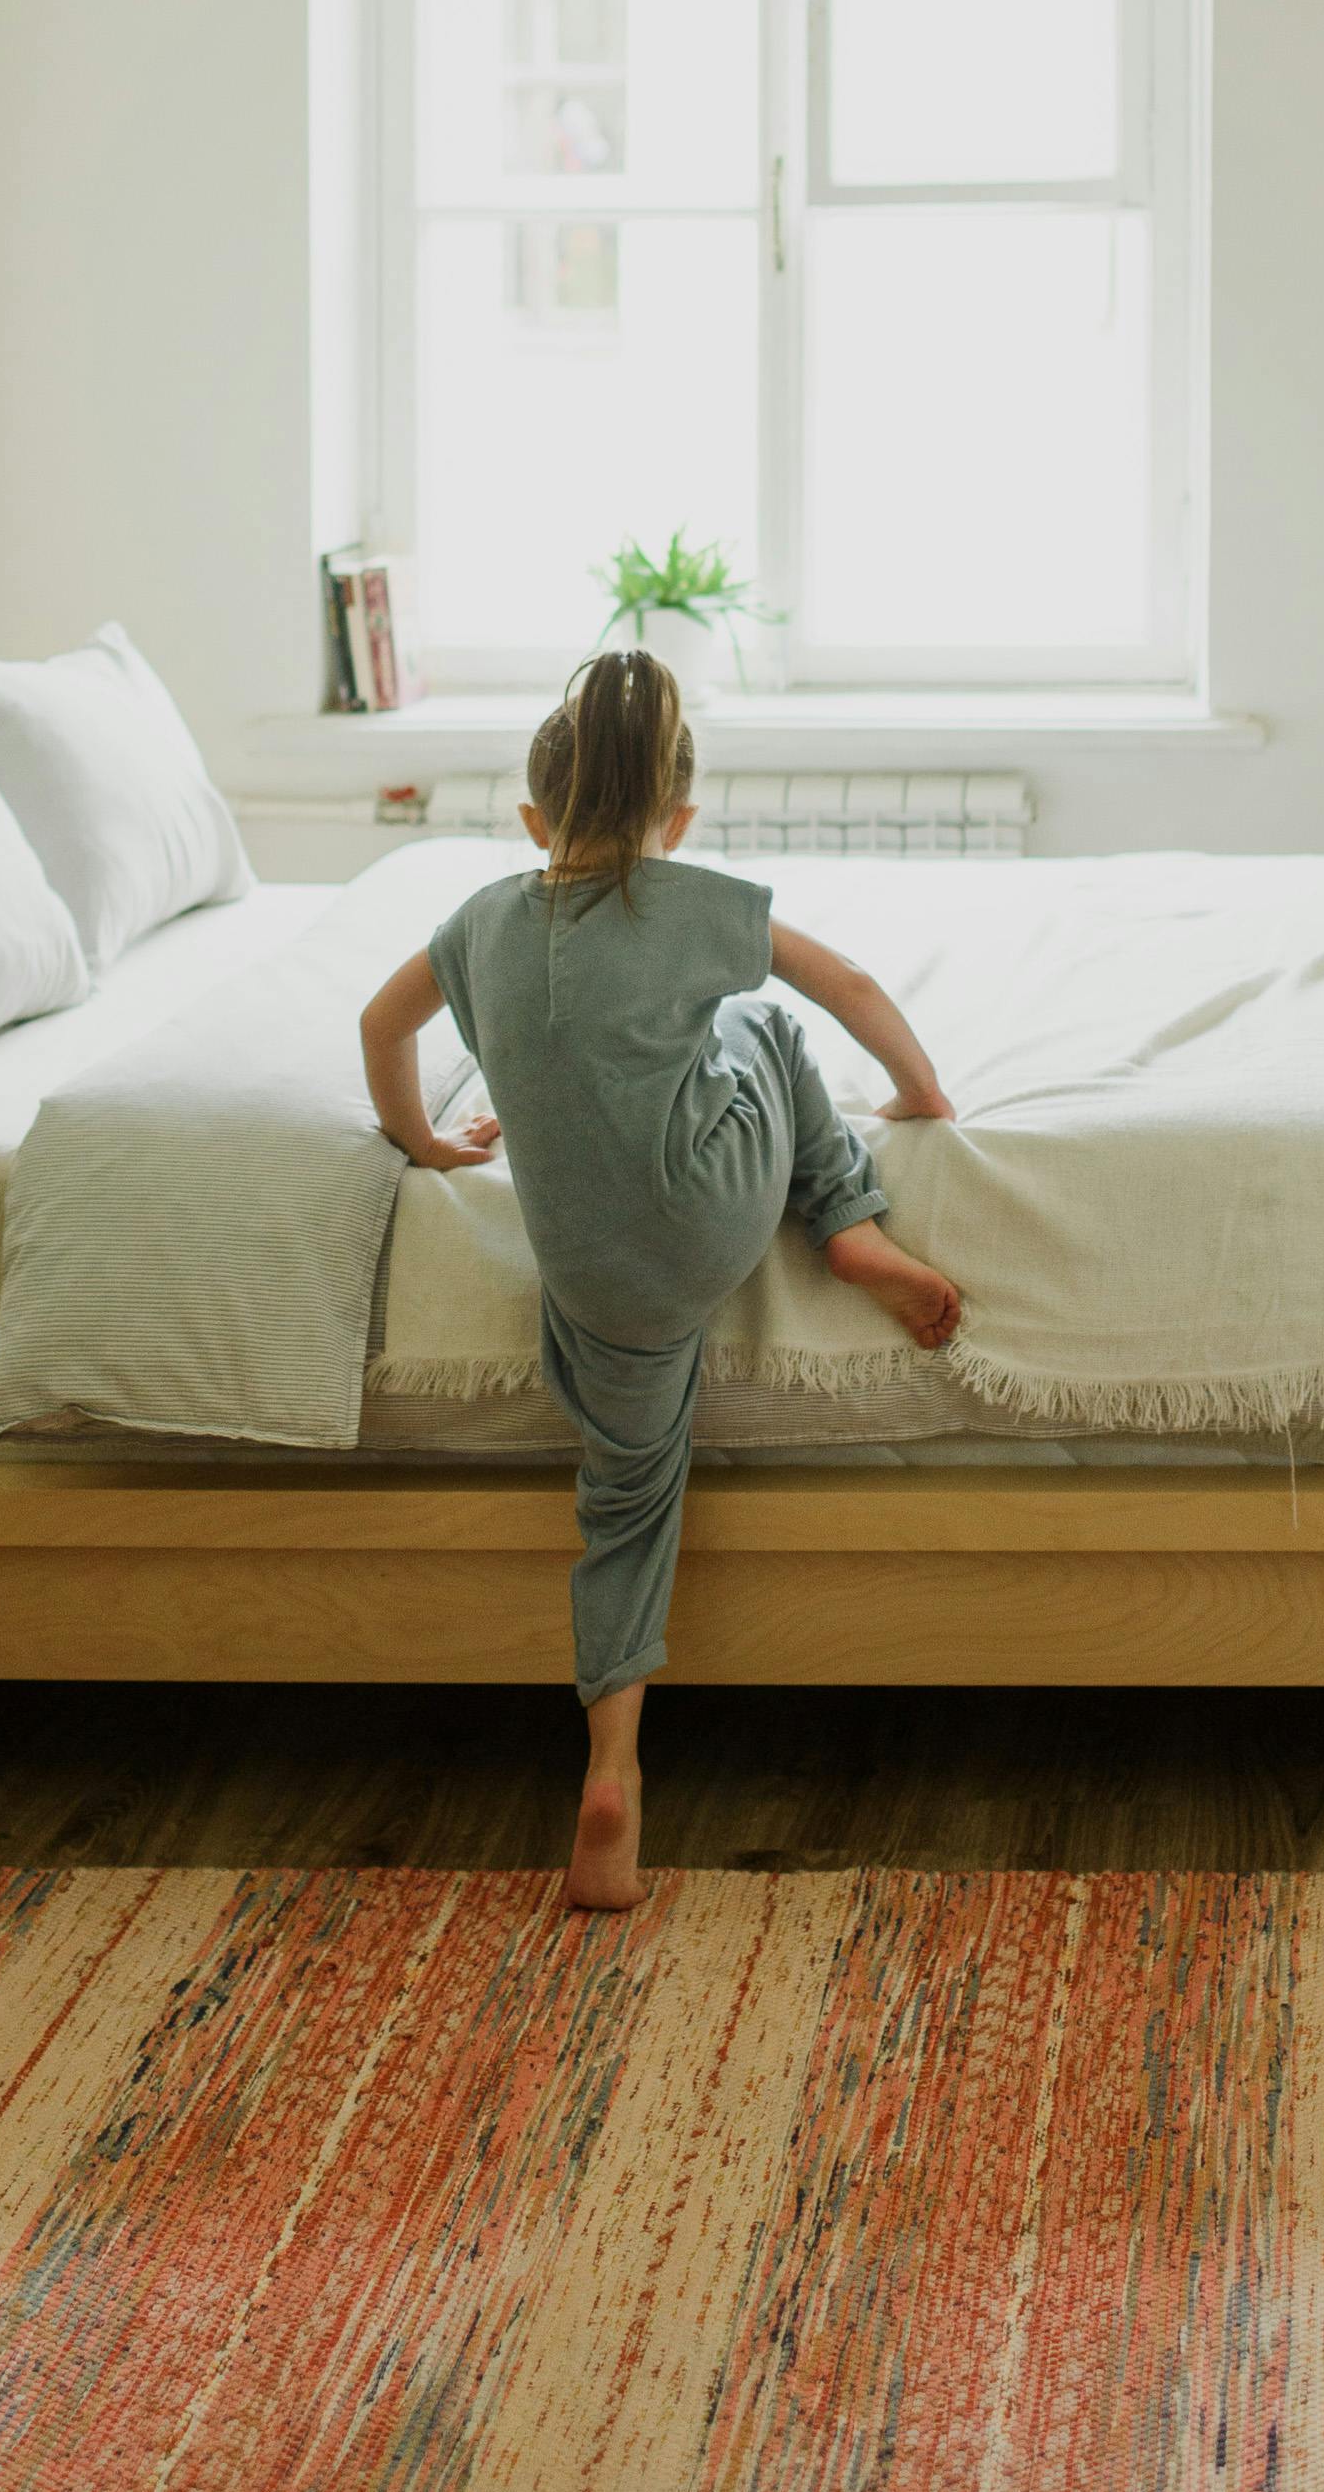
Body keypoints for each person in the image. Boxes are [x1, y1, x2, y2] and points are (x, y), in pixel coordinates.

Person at [359, 649, 961, 1913]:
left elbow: (380, 1024)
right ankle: (846, 1217)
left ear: (533, 821)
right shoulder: (691, 900)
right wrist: (922, 1096)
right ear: (676, 822)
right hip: (716, 1218)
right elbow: (842, 986)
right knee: (769, 1026)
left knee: (625, 1505)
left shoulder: (478, 922)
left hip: (597, 1278)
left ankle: (614, 1773)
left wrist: (419, 1141)